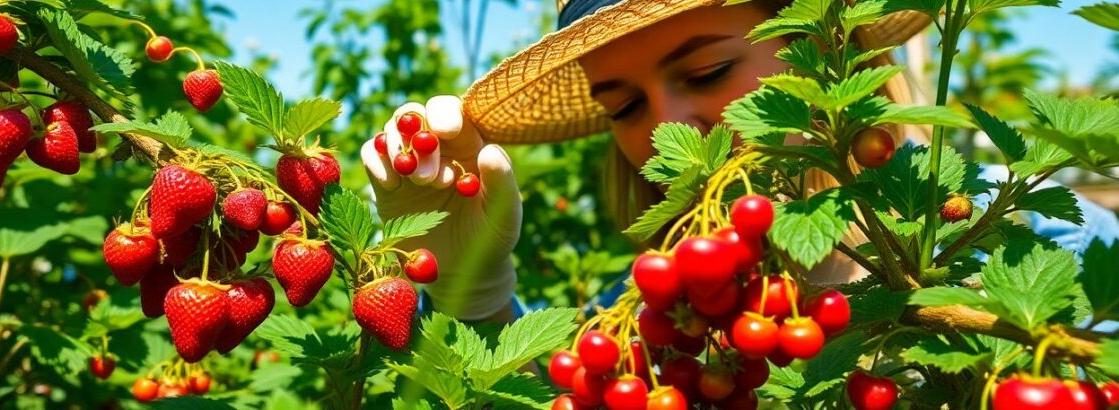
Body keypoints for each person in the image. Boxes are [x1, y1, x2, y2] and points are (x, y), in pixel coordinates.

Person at [359, 0, 1118, 324]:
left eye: (709, 71)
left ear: (826, 48)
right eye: (622, 106)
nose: (664, 127)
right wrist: (478, 296)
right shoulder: (669, 307)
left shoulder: (1032, 242)